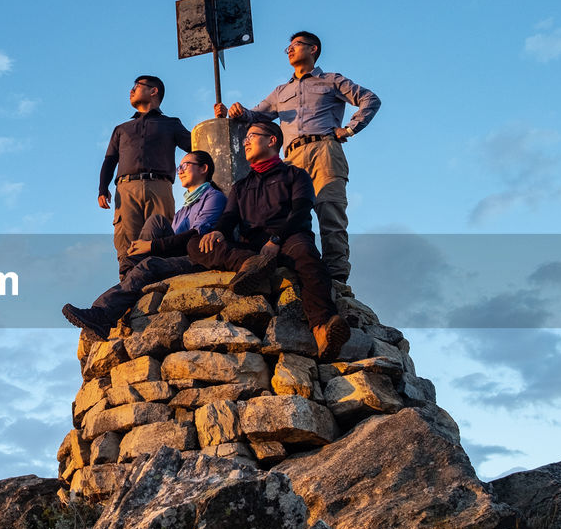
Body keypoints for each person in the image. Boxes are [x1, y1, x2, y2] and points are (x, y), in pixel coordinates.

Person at [214, 31, 379, 284]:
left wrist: (350, 128)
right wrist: (234, 112)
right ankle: (294, 268)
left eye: (296, 45)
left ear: (313, 49)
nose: (289, 49)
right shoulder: (281, 91)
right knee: (288, 215)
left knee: (329, 211)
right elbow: (255, 115)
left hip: (324, 149)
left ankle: (335, 277)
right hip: (290, 161)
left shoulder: (331, 80)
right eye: (287, 47)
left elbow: (369, 99)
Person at [188, 122, 351, 362]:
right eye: (245, 138)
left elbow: (300, 211)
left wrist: (276, 240)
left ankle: (322, 329)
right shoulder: (241, 185)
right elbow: (229, 217)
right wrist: (218, 232)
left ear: (272, 140)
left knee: (307, 256)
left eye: (251, 136)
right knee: (196, 244)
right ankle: (250, 264)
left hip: (288, 237)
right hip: (252, 247)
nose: (245, 142)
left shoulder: (295, 174)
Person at [65, 150, 226, 340]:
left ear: (203, 169)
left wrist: (152, 247)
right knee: (156, 221)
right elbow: (172, 240)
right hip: (178, 254)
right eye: (178, 167)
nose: (180, 171)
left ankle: (102, 314)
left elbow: (194, 238)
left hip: (197, 258)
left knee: (149, 264)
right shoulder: (184, 210)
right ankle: (129, 274)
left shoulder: (214, 197)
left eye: (185, 165)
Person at [99, 75, 192, 279]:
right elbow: (109, 160)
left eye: (136, 86)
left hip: (159, 187)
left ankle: (159, 287)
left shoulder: (171, 124)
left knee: (159, 239)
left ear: (153, 91)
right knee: (127, 247)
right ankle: (128, 292)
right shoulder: (122, 129)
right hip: (126, 188)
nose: (131, 90)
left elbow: (197, 146)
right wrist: (102, 188)